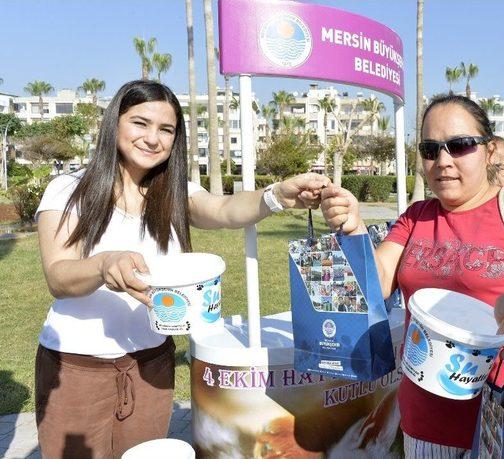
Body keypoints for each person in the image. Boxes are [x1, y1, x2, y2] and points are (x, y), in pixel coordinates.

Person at [34, 80, 329, 459]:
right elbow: (59, 276)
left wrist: (277, 196)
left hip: (152, 364)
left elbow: (224, 210)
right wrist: (104, 264)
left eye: (166, 130)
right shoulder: (68, 189)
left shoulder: (173, 191)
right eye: (140, 123)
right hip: (76, 369)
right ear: (115, 123)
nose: (152, 138)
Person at [320, 95, 504, 458]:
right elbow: (377, 282)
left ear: (490, 150)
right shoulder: (416, 216)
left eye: (460, 145)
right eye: (431, 149)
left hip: (502, 421)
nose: (443, 161)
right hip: (423, 426)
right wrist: (353, 228)